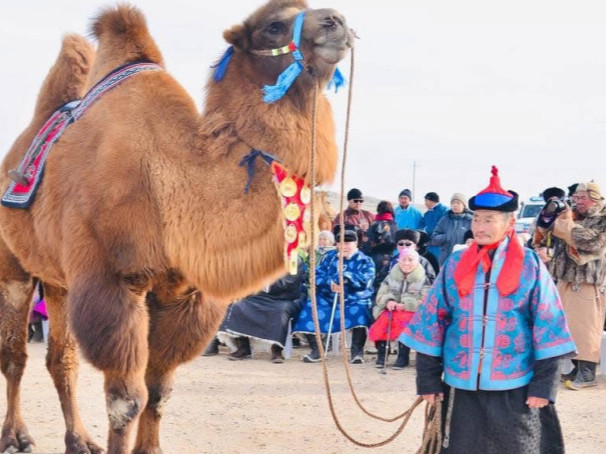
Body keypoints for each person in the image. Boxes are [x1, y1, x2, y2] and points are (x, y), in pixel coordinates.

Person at [400, 166, 576, 454]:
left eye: (489, 220)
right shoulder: (455, 265)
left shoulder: (529, 265)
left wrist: (544, 385)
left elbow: (549, 325)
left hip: (515, 386)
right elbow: (432, 321)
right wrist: (428, 378)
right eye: (477, 219)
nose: (479, 227)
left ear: (509, 222)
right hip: (461, 385)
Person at [546, 181, 606, 390]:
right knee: (570, 327)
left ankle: (588, 371)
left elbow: (593, 243)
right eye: (576, 198)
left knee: (586, 327)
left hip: (588, 281)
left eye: (582, 198)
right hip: (567, 279)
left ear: (595, 197)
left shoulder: (602, 219)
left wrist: (567, 228)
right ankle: (577, 367)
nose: (577, 202)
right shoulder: (576, 218)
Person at [293, 226, 375, 364]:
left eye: (348, 243)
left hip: (354, 297)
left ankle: (356, 352)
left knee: (360, 310)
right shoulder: (329, 258)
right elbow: (316, 275)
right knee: (309, 308)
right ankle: (317, 350)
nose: (344, 246)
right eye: (341, 243)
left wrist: (346, 279)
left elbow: (366, 280)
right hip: (328, 296)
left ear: (355, 244)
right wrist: (330, 283)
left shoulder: (365, 260)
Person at [215, 262, 306, 363]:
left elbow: (289, 284)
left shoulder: (293, 260)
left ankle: (276, 349)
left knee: (281, 311)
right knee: (237, 306)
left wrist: (262, 281)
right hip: (257, 296)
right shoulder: (262, 256)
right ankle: (243, 347)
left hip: (283, 298)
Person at [368, 249, 430, 369]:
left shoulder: (423, 279)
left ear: (417, 262)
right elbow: (381, 294)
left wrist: (406, 304)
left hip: (411, 312)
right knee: (382, 321)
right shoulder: (390, 276)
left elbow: (425, 300)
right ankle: (382, 354)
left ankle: (403, 356)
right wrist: (388, 301)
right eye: (403, 259)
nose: (406, 263)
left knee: (403, 322)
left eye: (410, 260)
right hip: (391, 309)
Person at [428, 192, 473, 265]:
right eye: (453, 203)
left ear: (464, 205)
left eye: (458, 203)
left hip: (464, 259)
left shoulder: (470, 220)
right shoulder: (445, 219)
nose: (455, 205)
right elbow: (434, 238)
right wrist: (445, 237)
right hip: (446, 259)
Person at [366, 200, 397, 270]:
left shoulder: (374, 224)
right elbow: (396, 242)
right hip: (390, 256)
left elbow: (368, 241)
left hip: (376, 255)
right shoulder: (394, 225)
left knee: (377, 277)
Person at [419, 191, 447, 260]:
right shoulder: (427, 213)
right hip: (430, 244)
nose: (425, 203)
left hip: (440, 246)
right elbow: (421, 226)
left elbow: (446, 228)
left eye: (426, 200)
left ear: (431, 201)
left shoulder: (444, 210)